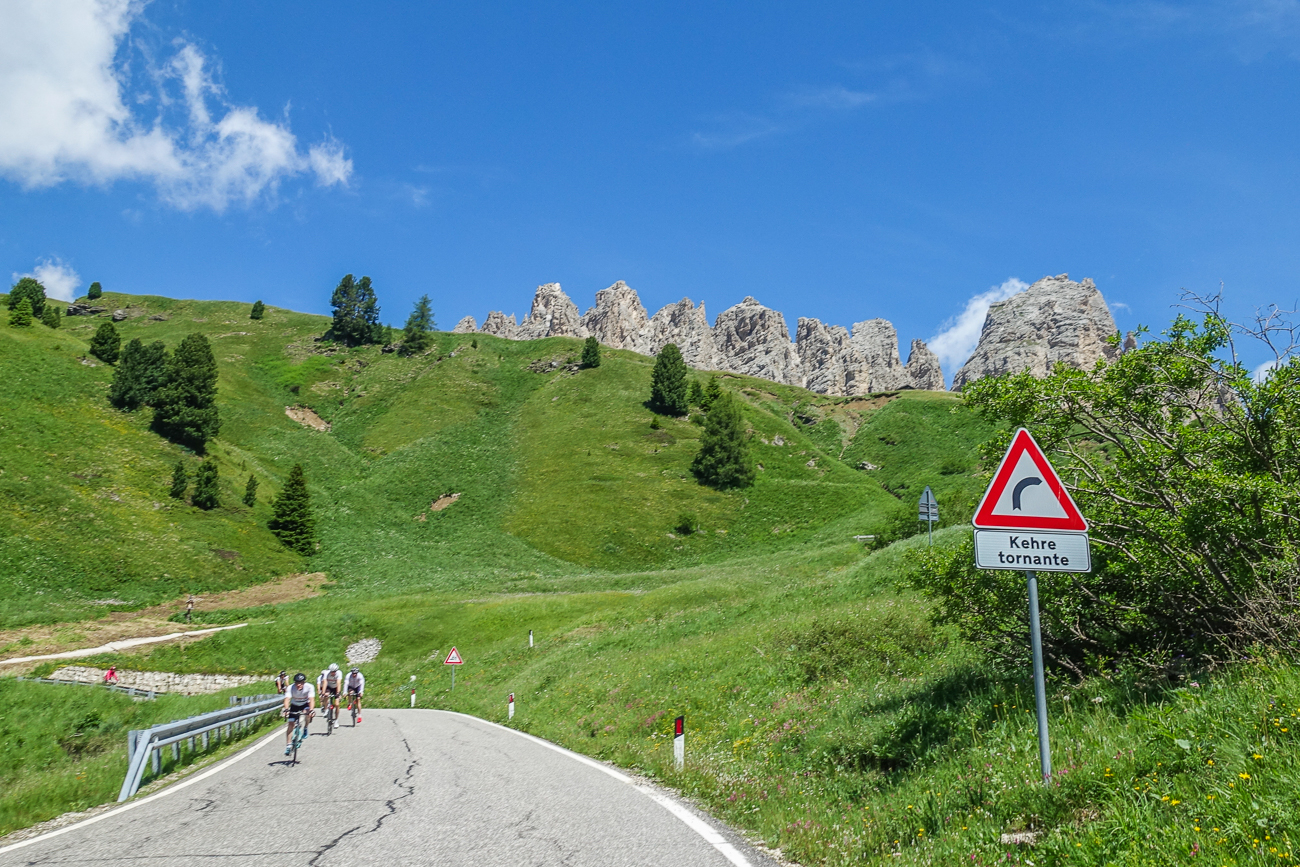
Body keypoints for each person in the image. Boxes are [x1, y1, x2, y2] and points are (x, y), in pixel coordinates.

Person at [282, 673, 315, 755]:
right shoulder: (290, 687)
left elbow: (311, 699)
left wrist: (311, 710)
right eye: (297, 683)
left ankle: (306, 728)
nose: (299, 685)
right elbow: (287, 699)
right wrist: (286, 709)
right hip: (294, 705)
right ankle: (288, 745)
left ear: (304, 682)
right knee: (290, 724)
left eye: (301, 683)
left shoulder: (309, 687)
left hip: (305, 704)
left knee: (307, 713)